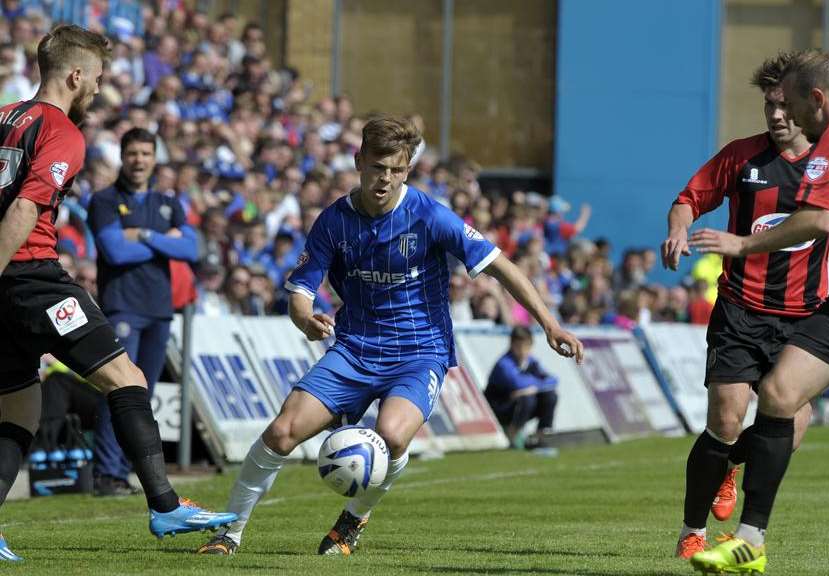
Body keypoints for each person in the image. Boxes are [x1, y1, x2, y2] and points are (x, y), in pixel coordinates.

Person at [196, 115, 583, 556]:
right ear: (359, 160)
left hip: (420, 352)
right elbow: (300, 292)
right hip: (355, 349)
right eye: (378, 167)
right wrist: (304, 318)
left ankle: (352, 519)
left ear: (408, 169)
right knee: (282, 431)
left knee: (393, 436)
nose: (386, 178)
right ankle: (229, 533)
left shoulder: (430, 215)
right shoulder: (333, 221)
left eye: (397, 169)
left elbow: (501, 265)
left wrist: (549, 324)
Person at [0, 25, 235, 562]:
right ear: (75, 75)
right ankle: (165, 503)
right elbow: (23, 210)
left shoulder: (5, 117)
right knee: (125, 378)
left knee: (20, 406)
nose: (100, 90)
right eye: (98, 80)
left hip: (7, 287)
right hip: (30, 275)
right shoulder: (61, 130)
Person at [688, 50, 829, 574]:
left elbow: (817, 219)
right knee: (779, 393)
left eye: (789, 103)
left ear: (817, 101)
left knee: (779, 399)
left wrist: (741, 245)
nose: (781, 115)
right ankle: (750, 541)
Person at [661, 52, 827, 560]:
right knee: (727, 419)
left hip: (802, 318)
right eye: (768, 105)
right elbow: (688, 197)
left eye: (784, 106)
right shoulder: (743, 157)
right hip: (739, 312)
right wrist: (678, 228)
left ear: (806, 104)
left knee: (794, 427)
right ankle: (693, 530)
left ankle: (730, 464)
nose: (776, 116)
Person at [86, 127, 198, 496]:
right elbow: (115, 251)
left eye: (146, 154)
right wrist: (167, 242)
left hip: (159, 310)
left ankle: (126, 471)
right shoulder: (104, 200)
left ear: (154, 158)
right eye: (133, 153)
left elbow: (192, 249)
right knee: (120, 389)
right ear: (123, 156)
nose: (139, 160)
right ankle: (106, 473)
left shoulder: (168, 202)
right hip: (123, 306)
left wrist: (145, 236)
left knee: (142, 395)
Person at [484, 326, 558, 449]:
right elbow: (517, 383)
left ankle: (540, 437)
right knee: (527, 399)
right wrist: (535, 385)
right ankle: (512, 438)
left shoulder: (531, 362)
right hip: (499, 407)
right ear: (512, 345)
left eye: (527, 346)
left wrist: (533, 388)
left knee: (550, 396)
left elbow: (553, 380)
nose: (523, 351)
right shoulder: (504, 363)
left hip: (520, 404)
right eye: (519, 346)